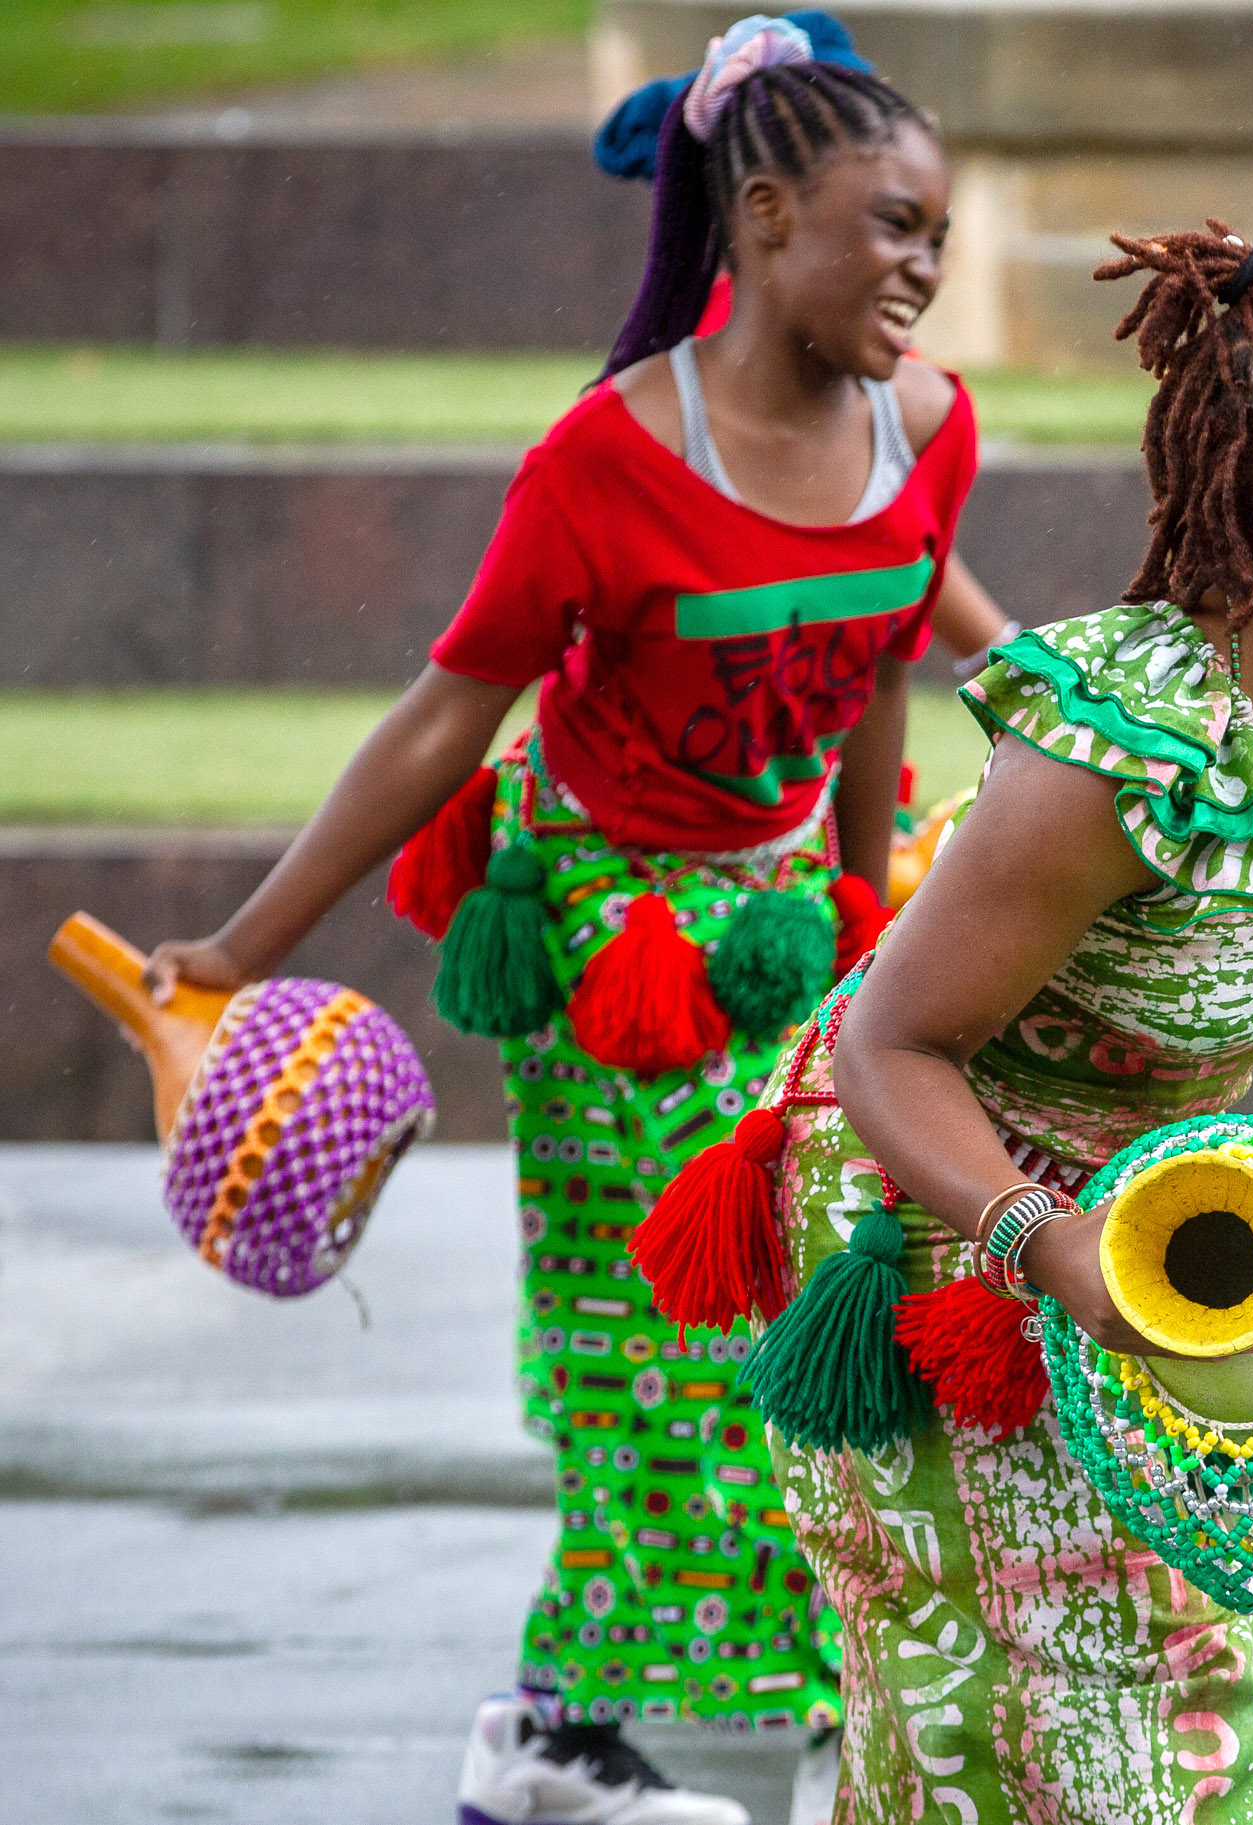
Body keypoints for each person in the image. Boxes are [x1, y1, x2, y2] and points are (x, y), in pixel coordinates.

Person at [142, 22, 975, 1823]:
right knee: (671, 1345)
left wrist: (863, 883)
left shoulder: (925, 417)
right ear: (760, 219)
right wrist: (242, 949)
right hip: (615, 951)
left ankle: (615, 1722)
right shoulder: (601, 464)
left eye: (940, 235)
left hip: (788, 917)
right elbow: (447, 713)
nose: (925, 268)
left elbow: (895, 637)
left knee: (818, 1318)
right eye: (890, 227)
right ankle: (589, 1742)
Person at [753, 226, 1253, 1819]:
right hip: (936, 1190)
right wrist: (1043, 1245)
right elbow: (891, 1045)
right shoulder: (1125, 755)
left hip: (1165, 1202)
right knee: (994, 1719)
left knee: (1191, 1679)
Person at [592, 7, 1020, 677]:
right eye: (889, 214)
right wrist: (1014, 663)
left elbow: (891, 548)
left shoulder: (873, 361)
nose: (923, 264)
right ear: (771, 204)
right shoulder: (738, 356)